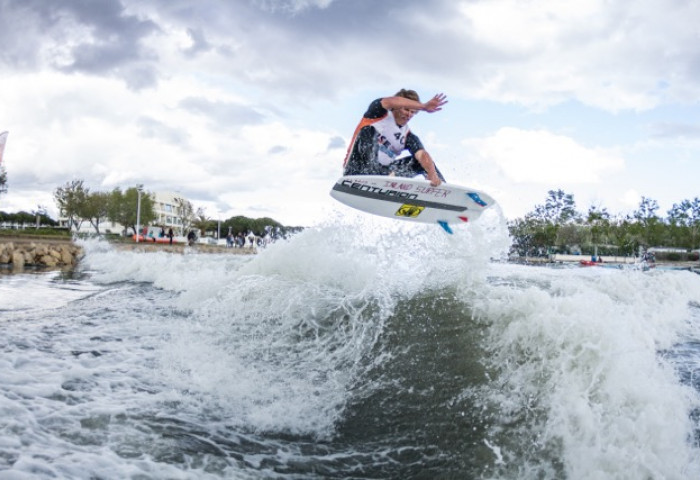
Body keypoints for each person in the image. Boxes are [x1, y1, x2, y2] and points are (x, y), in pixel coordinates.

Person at [343, 89, 448, 187]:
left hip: (383, 175)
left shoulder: (408, 136)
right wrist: (424, 106)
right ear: (396, 107)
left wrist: (432, 175)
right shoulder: (376, 114)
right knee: (368, 130)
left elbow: (421, 155)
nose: (409, 115)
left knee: (423, 162)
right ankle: (371, 176)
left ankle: (443, 192)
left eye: (413, 112)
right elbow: (389, 102)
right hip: (357, 170)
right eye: (406, 109)